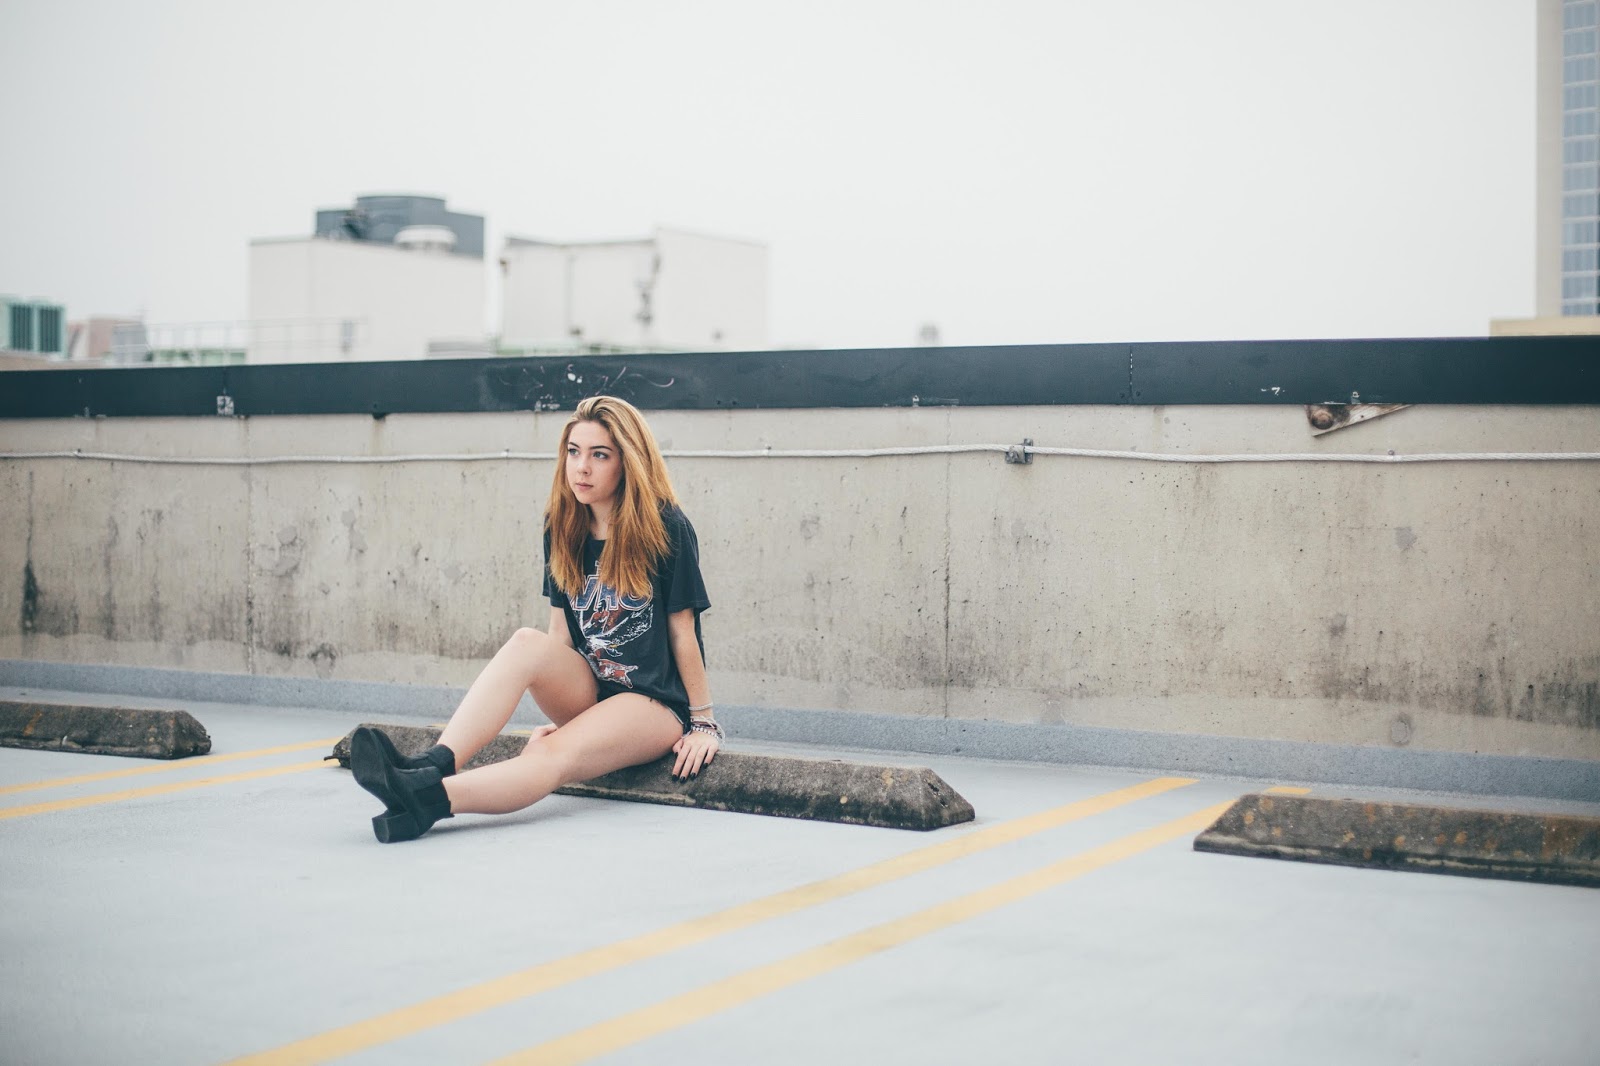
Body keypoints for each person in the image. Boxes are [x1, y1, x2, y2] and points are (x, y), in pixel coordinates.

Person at [349, 395, 721, 843]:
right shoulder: (563, 525)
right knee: (527, 642)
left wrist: (703, 724)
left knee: (550, 753)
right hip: (595, 689)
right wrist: (571, 719)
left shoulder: (665, 527)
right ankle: (434, 764)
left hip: (653, 704)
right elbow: (559, 636)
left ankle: (427, 799)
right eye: (573, 452)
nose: (581, 467)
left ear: (628, 462)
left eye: (600, 455)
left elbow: (683, 633)